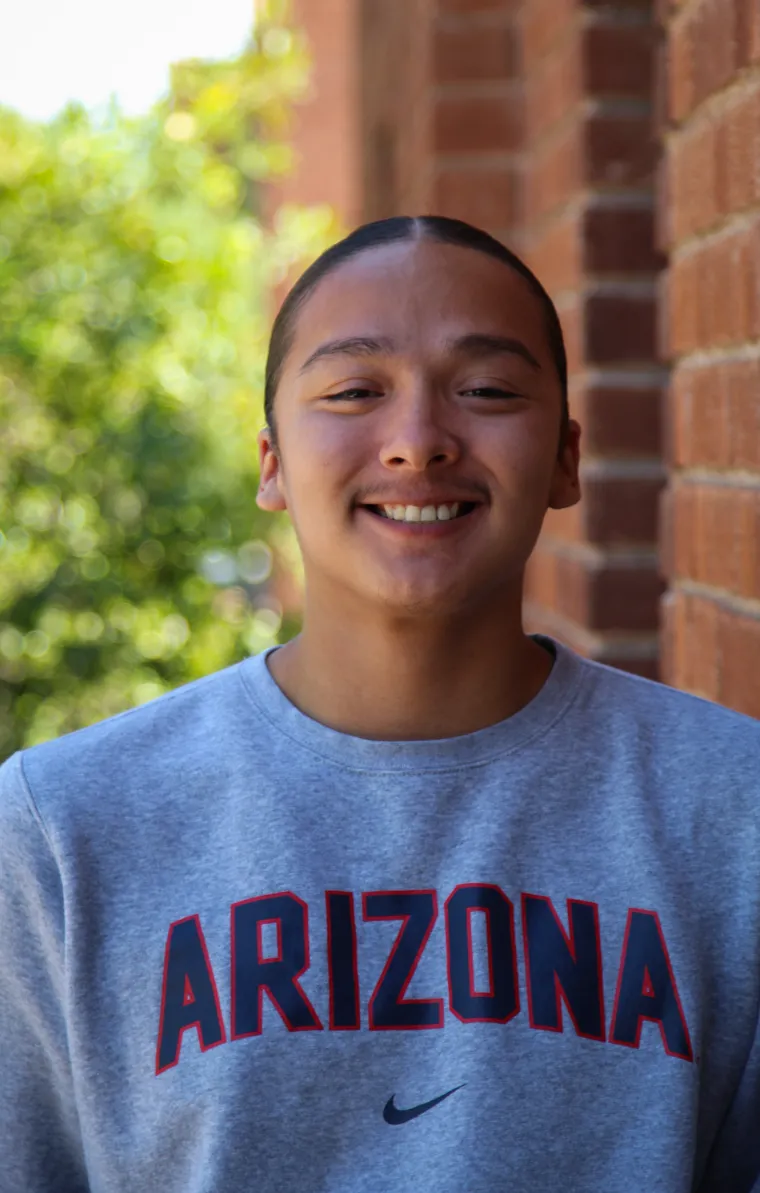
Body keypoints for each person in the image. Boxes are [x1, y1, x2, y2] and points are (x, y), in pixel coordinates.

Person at [1, 215, 758, 1193]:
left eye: (484, 390)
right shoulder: (62, 827)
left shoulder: (731, 808)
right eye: (355, 390)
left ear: (567, 458)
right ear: (271, 460)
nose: (416, 443)